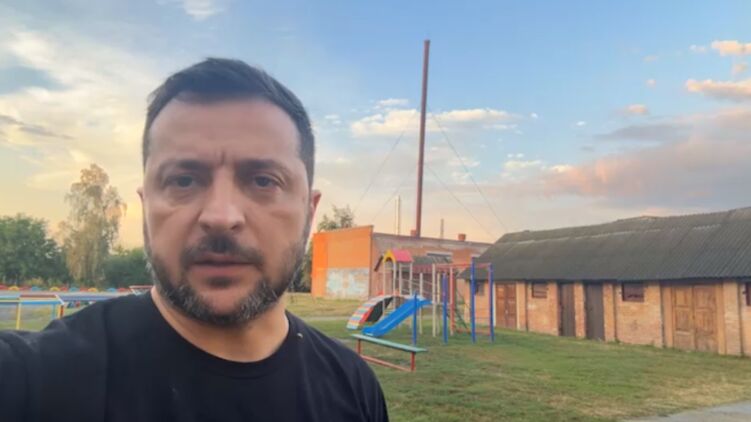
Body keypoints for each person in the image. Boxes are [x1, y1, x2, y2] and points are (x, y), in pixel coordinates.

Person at [0, 58, 388, 422]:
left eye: (263, 181)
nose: (221, 217)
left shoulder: (354, 387)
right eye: (183, 180)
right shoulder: (34, 378)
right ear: (146, 206)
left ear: (309, 210)